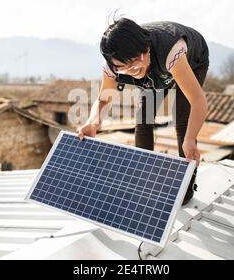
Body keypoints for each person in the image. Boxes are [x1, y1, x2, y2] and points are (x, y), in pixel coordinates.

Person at [77, 17, 209, 205]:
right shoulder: (114, 67)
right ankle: (143, 178)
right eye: (125, 67)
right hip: (157, 72)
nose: (133, 70)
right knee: (144, 118)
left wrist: (190, 138)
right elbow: (104, 98)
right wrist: (93, 122)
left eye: (136, 61)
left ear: (146, 48)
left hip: (192, 60)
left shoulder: (171, 51)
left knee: (181, 118)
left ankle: (185, 189)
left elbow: (198, 101)